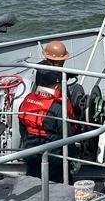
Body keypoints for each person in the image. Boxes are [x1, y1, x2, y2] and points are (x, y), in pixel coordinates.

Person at [18, 40, 84, 181]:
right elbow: (67, 137)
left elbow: (22, 128)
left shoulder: (26, 101)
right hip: (54, 156)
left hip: (30, 152)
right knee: (59, 184)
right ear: (57, 86)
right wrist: (73, 158)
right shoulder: (57, 108)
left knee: (33, 180)